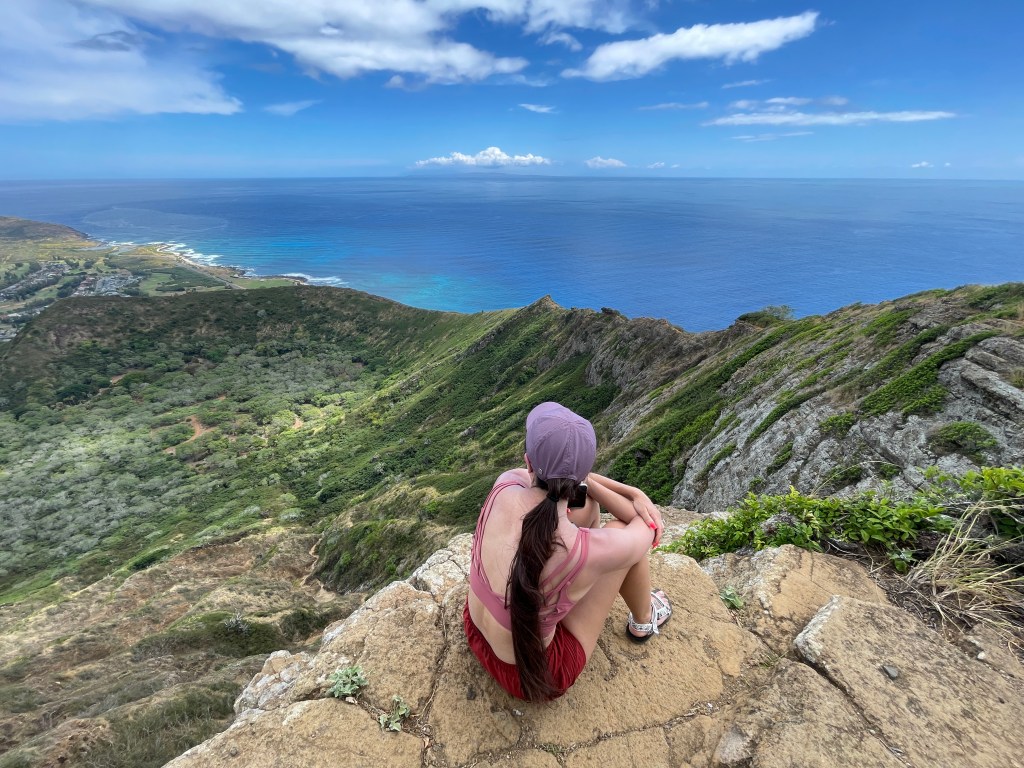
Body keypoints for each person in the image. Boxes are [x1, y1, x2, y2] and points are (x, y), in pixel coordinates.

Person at [464, 401, 672, 702]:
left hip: (476, 629)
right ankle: (644, 620)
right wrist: (636, 494)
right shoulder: (582, 550)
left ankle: (563, 600)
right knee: (619, 537)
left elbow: (558, 494)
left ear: (528, 462)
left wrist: (602, 486)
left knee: (587, 508)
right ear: (580, 477)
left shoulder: (505, 484)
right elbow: (646, 526)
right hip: (531, 675)